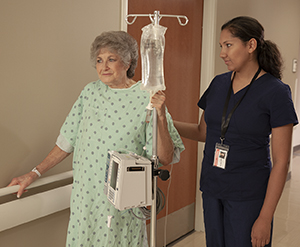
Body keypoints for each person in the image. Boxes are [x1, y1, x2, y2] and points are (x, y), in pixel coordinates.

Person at [8, 31, 185, 247]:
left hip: (121, 201)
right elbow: (66, 141)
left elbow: (165, 156)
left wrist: (160, 115)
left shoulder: (146, 97)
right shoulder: (90, 92)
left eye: (112, 59)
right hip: (86, 196)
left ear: (128, 61)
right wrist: (33, 174)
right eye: (100, 60)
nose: (104, 67)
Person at [174, 16, 298, 247]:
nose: (222, 53)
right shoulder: (218, 83)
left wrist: (265, 217)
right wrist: (165, 122)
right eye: (221, 46)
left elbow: (281, 162)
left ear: (251, 45)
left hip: (248, 193)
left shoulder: (276, 92)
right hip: (213, 188)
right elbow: (203, 132)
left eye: (228, 45)